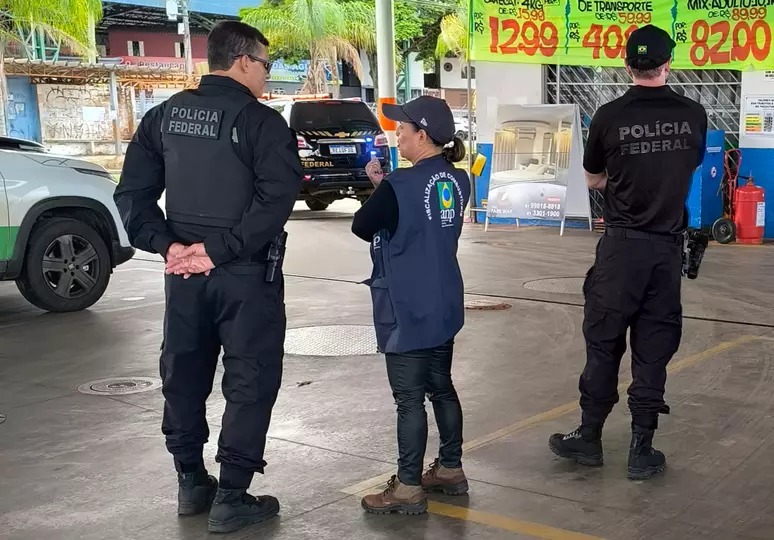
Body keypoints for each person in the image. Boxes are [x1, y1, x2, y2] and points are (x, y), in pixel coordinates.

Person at [113, 21, 302, 533]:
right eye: (266, 65)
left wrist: (169, 245)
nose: (266, 75)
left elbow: (131, 194)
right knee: (250, 376)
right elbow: (275, 200)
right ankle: (233, 495)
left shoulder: (164, 117)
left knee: (184, 370)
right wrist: (218, 250)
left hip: (184, 275)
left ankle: (191, 480)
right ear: (243, 61)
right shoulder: (261, 123)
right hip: (243, 276)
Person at [548, 24, 708, 480]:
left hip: (620, 249)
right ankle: (642, 448)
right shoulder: (694, 114)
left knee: (603, 344)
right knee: (653, 348)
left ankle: (590, 438)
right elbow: (686, 167)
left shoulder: (608, 116)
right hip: (665, 252)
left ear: (626, 65)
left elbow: (594, 178)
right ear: (668, 65)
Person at [352, 96, 471, 515]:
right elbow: (423, 221)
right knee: (441, 385)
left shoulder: (398, 186)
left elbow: (363, 225)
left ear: (422, 135)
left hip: (407, 303)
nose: (397, 134)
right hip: (444, 300)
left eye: (402, 128)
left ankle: (407, 487)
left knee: (409, 398)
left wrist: (380, 187)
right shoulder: (459, 181)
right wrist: (382, 187)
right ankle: (451, 469)